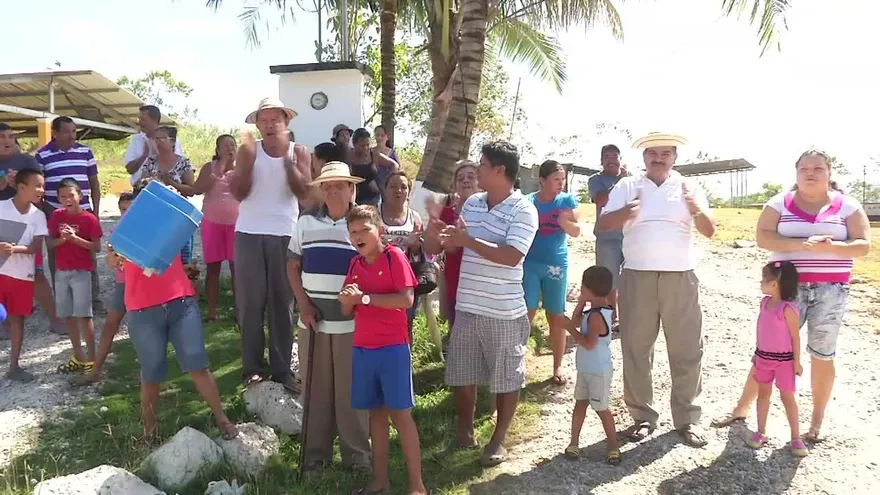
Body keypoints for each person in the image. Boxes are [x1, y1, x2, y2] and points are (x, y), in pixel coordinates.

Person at [713, 149, 871, 443]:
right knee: (767, 352)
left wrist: (831, 248)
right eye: (805, 169)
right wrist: (803, 243)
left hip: (831, 290)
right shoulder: (778, 203)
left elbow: (863, 245)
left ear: (829, 172)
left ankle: (816, 423)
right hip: (785, 291)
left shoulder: (848, 206)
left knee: (822, 355)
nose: (811, 173)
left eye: (818, 168)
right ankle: (741, 409)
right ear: (796, 172)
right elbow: (763, 237)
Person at [597, 132, 715, 447]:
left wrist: (695, 210)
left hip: (681, 277)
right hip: (637, 276)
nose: (659, 159)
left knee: (687, 349)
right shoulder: (627, 186)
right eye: (653, 153)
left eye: (665, 153)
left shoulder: (689, 187)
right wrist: (626, 213)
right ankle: (642, 417)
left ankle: (688, 419)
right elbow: (601, 226)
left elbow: (710, 231)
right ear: (644, 157)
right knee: (636, 348)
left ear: (675, 157)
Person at [437, 141, 539, 466]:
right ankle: (465, 432)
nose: (476, 170)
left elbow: (511, 256)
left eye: (482, 165)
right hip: (467, 305)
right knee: (461, 373)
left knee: (508, 376)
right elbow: (461, 247)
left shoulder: (524, 210)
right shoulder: (472, 205)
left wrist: (468, 241)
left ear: (499, 170)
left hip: (504, 312)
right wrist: (449, 240)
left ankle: (498, 440)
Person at [287, 162, 370, 473]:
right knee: (316, 393)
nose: (334, 190)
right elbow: (292, 266)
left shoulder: (363, 224)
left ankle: (357, 456)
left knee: (352, 392)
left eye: (340, 185)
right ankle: (315, 456)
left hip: (353, 324)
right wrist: (303, 306)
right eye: (328, 185)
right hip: (314, 322)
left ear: (352, 189)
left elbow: (373, 264)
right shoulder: (305, 222)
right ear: (322, 190)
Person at [339, 205, 427, 495]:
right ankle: (380, 482)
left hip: (392, 348)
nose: (358, 236)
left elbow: (406, 300)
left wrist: (363, 299)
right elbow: (345, 309)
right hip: (363, 348)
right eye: (353, 232)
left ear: (380, 230)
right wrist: (349, 300)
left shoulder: (395, 257)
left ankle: (417, 487)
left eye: (365, 230)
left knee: (400, 415)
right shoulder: (354, 265)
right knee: (376, 415)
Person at [232, 97, 311, 393]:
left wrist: (289, 164)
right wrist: (249, 162)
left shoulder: (299, 152)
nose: (269, 125)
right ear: (256, 124)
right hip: (249, 233)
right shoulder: (246, 151)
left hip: (284, 234)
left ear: (286, 123)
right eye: (263, 120)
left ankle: (282, 370)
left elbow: (304, 194)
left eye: (274, 119)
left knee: (282, 303)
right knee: (250, 304)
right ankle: (251, 368)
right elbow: (239, 193)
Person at [0, 124, 64, 340]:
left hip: (26, 222)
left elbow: (38, 184)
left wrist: (19, 180)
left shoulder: (26, 161)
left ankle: (55, 319)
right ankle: (6, 321)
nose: (7, 140)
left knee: (35, 272)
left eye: (10, 136)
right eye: (2, 137)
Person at [34, 116, 103, 309]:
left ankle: (93, 299)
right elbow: (38, 187)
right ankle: (63, 299)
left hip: (83, 210)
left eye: (74, 131)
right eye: (67, 131)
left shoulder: (85, 152)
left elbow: (94, 183)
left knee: (88, 251)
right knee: (57, 253)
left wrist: (95, 210)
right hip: (55, 211)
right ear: (55, 133)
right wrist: (42, 213)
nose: (72, 135)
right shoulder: (42, 156)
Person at [523, 159, 580, 384]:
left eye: (563, 179)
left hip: (556, 264)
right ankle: (517, 365)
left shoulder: (566, 201)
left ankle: (557, 367)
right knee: (527, 313)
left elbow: (576, 231)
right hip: (529, 263)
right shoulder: (528, 202)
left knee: (555, 315)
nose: (561, 183)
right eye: (556, 179)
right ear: (542, 180)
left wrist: (564, 221)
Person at [746, 261, 808, 457]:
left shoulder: (788, 309)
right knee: (763, 394)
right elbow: (761, 331)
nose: (760, 282)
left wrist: (796, 362)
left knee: (787, 397)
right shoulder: (764, 303)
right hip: (763, 359)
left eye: (764, 279)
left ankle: (796, 437)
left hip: (784, 362)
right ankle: (761, 431)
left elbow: (795, 337)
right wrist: (757, 353)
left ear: (774, 284)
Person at [72, 193, 134, 386]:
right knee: (109, 326)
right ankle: (96, 370)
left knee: (141, 329)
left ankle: (148, 374)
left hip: (140, 287)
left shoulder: (145, 230)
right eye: (122, 209)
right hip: (123, 284)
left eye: (130, 208)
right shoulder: (117, 231)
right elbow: (113, 262)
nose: (126, 213)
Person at [564, 266, 619, 465]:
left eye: (582, 288)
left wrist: (570, 329)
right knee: (580, 403)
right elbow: (576, 320)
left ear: (588, 288)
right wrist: (580, 303)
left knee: (602, 408)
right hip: (586, 369)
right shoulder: (596, 310)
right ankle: (574, 442)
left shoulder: (597, 316)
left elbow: (588, 343)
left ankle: (613, 446)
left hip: (598, 370)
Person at [47, 179, 102, 374]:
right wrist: (62, 239)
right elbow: (50, 243)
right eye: (63, 196)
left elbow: (96, 247)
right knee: (68, 315)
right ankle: (78, 356)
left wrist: (75, 239)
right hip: (61, 272)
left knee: (84, 315)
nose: (67, 199)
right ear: (58, 199)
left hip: (82, 271)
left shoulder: (89, 219)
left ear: (80, 195)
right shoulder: (56, 216)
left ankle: (93, 358)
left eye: (71, 195)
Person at [0, 169, 48, 382]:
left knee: (17, 320)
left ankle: (14, 366)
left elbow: (37, 246)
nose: (41, 190)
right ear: (21, 187)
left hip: (22, 277)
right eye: (37, 185)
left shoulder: (38, 216)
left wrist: (14, 249)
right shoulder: (1, 208)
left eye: (43, 186)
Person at [193, 134, 239, 321]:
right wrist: (219, 170)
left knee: (238, 269)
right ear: (218, 150)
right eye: (226, 146)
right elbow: (197, 189)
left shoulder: (243, 169)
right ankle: (212, 312)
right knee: (213, 269)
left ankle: (239, 311)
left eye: (233, 145)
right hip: (212, 222)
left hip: (237, 224)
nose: (230, 149)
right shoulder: (209, 167)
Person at [587, 144, 628, 329]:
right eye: (607, 157)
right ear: (602, 161)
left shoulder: (632, 178)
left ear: (621, 159)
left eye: (615, 156)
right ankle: (613, 317)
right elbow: (601, 200)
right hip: (606, 237)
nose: (611, 160)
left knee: (631, 278)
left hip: (630, 236)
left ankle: (631, 315)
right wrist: (621, 182)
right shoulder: (595, 180)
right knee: (609, 278)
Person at [379, 171, 424, 337]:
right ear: (384, 190)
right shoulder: (374, 214)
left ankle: (405, 360)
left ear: (408, 192)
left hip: (405, 280)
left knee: (404, 325)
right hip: (378, 278)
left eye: (403, 187)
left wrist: (415, 246)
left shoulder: (415, 218)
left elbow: (420, 254)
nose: (398, 190)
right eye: (393, 186)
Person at [124, 105, 184, 185]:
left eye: (143, 119)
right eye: (139, 119)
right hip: (141, 189)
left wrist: (156, 152)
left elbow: (179, 167)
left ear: (155, 120)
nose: (139, 122)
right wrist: (144, 155)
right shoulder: (136, 139)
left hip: (166, 189)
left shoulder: (171, 140)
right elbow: (129, 170)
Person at [348, 128, 399, 206]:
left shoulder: (373, 155)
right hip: (355, 200)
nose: (365, 148)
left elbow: (394, 165)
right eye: (362, 145)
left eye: (367, 145)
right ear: (354, 144)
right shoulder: (349, 157)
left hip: (374, 199)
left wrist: (386, 182)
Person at [140, 127, 195, 197]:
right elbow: (142, 184)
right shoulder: (150, 161)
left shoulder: (184, 163)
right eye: (156, 139)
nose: (158, 142)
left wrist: (171, 183)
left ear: (173, 141)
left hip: (175, 205)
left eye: (162, 138)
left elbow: (191, 191)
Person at [301, 142, 342, 213]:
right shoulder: (345, 180)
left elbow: (304, 200)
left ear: (321, 163)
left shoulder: (322, 186)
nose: (311, 163)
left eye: (313, 159)